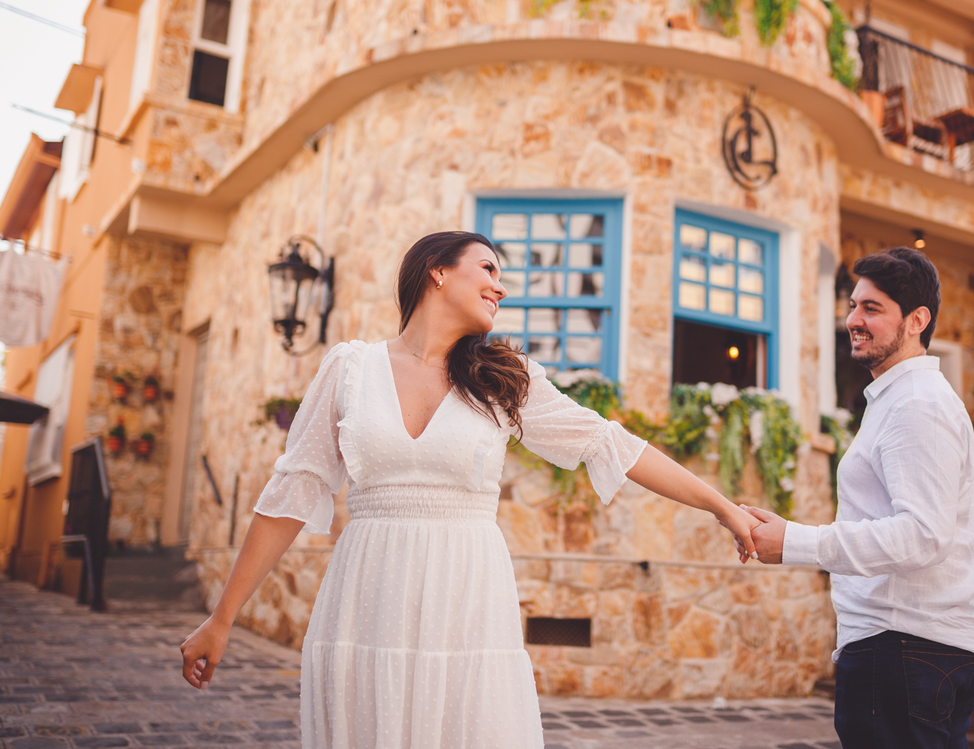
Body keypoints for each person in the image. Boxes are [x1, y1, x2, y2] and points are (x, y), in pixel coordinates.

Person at [180, 231, 760, 749]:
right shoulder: (349, 369)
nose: (499, 288)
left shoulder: (506, 382)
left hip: (467, 602)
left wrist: (721, 507)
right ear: (437, 269)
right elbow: (292, 493)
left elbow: (611, 444)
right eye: (488, 269)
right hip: (366, 600)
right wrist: (223, 618)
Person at [741, 248, 974, 749]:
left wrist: (795, 541)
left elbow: (922, 535)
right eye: (854, 305)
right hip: (910, 650)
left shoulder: (916, 404)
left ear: (917, 320)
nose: (853, 320)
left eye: (872, 309)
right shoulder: (898, 400)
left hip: (906, 649)